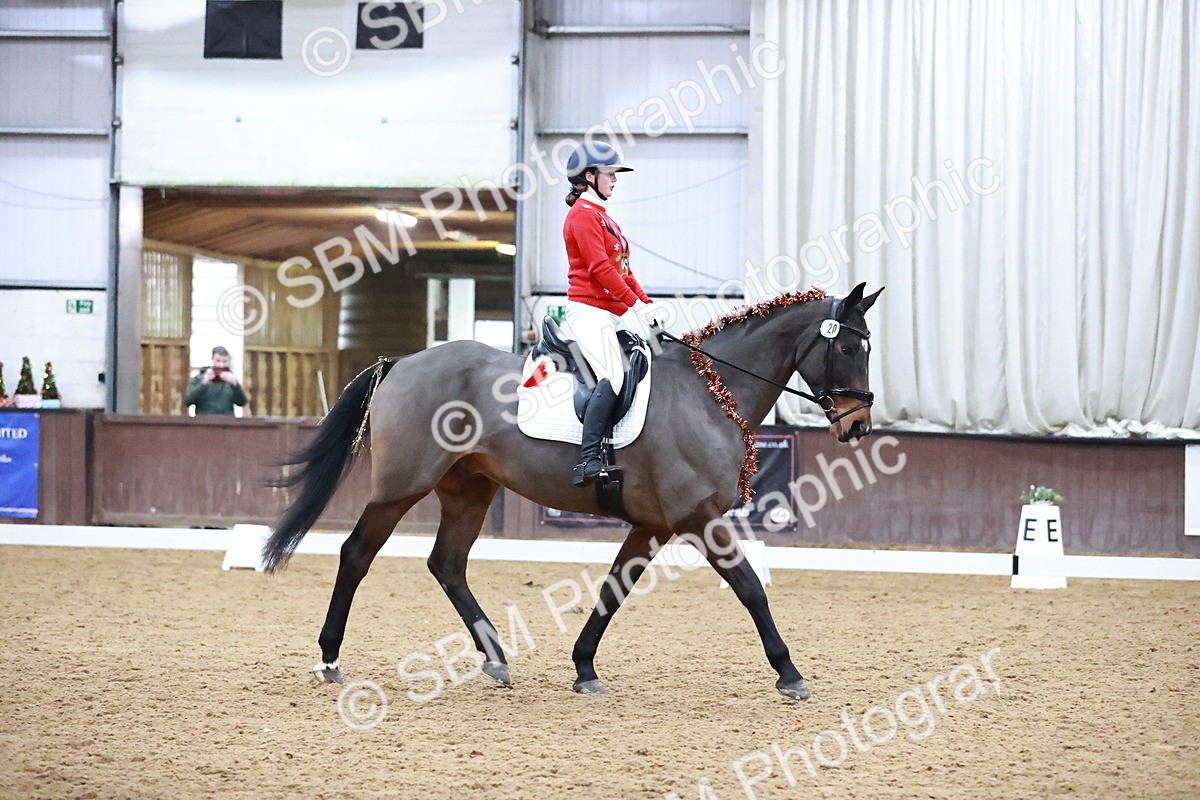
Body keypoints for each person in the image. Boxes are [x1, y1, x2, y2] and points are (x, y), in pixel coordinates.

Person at [562, 141, 668, 486]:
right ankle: (589, 458)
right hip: (588, 310)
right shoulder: (582, 216)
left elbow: (623, 272)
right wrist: (635, 306)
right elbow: (600, 270)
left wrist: (646, 303)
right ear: (589, 176)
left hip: (612, 311)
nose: (614, 180)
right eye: (609, 174)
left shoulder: (605, 218)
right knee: (615, 374)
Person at [184, 346, 248, 416]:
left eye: (224, 361)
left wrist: (235, 385)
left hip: (226, 423)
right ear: (212, 359)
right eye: (218, 361)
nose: (221, 365)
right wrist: (203, 384)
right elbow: (187, 401)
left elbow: (242, 402)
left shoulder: (231, 381)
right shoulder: (199, 378)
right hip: (204, 423)